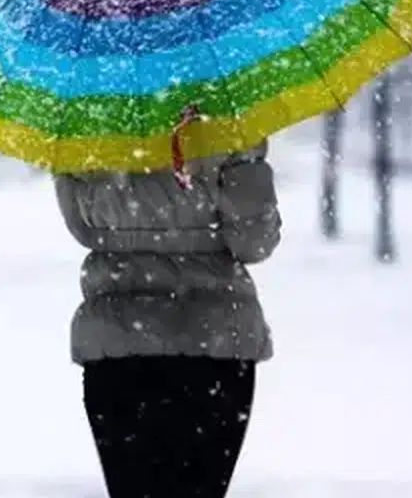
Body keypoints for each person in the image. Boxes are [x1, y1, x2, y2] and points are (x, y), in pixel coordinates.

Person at [53, 139, 281, 498]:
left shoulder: (85, 119)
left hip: (118, 341)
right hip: (215, 341)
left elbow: (84, 229)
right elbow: (254, 241)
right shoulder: (229, 120)